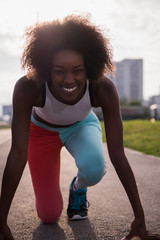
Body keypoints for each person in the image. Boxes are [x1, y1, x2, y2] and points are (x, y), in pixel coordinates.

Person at [0, 15, 159, 240]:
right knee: (48, 215)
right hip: (41, 132)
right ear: (46, 68)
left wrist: (140, 218)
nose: (68, 80)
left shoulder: (103, 88)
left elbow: (117, 154)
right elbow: (17, 155)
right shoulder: (28, 87)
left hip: (81, 126)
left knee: (94, 168)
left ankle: (78, 187)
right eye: (59, 71)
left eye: (77, 70)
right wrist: (1, 219)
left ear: (90, 69)